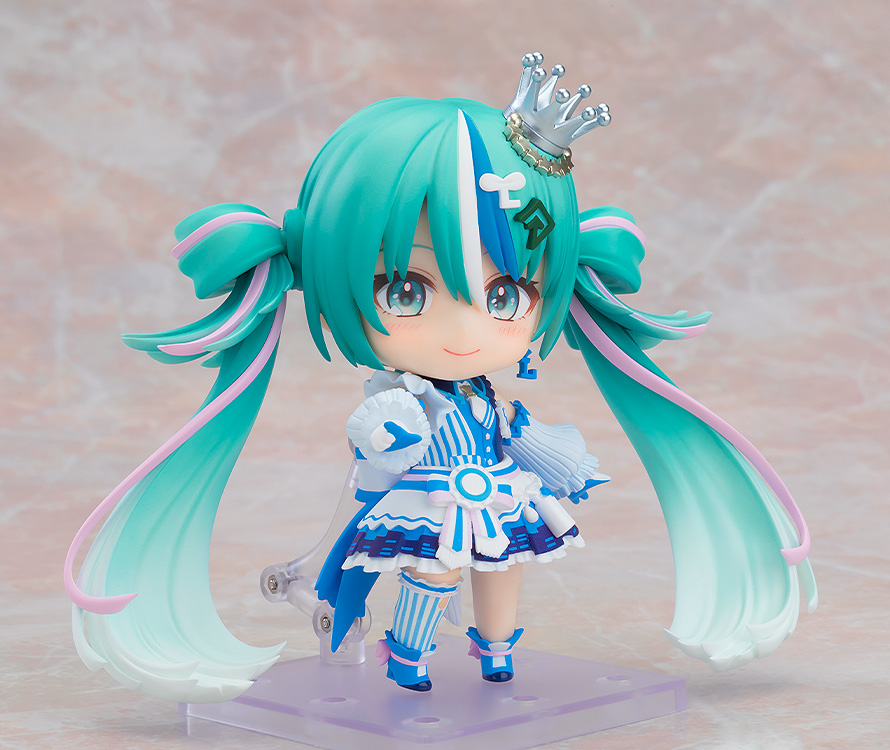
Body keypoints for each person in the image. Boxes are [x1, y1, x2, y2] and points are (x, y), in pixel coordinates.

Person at [64, 53, 816, 702]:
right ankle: (409, 653)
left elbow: (515, 433)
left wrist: (559, 461)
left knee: (506, 567)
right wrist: (388, 443)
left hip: (494, 490)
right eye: (407, 291)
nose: (466, 333)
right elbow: (376, 447)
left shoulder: (486, 397)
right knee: (433, 572)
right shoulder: (400, 397)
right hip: (429, 494)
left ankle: (496, 648)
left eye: (505, 296)